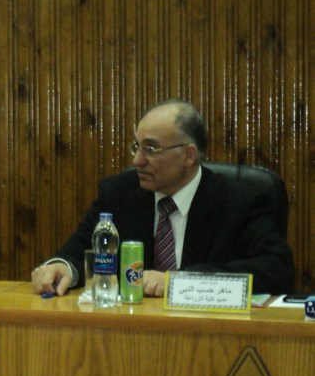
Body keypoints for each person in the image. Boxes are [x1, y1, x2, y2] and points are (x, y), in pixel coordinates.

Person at [31, 98, 294, 297]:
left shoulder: (240, 201)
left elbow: (277, 269)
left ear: (189, 155)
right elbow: (79, 250)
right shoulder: (118, 194)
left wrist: (179, 281)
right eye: (137, 147)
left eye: (151, 148)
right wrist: (62, 267)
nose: (137, 160)